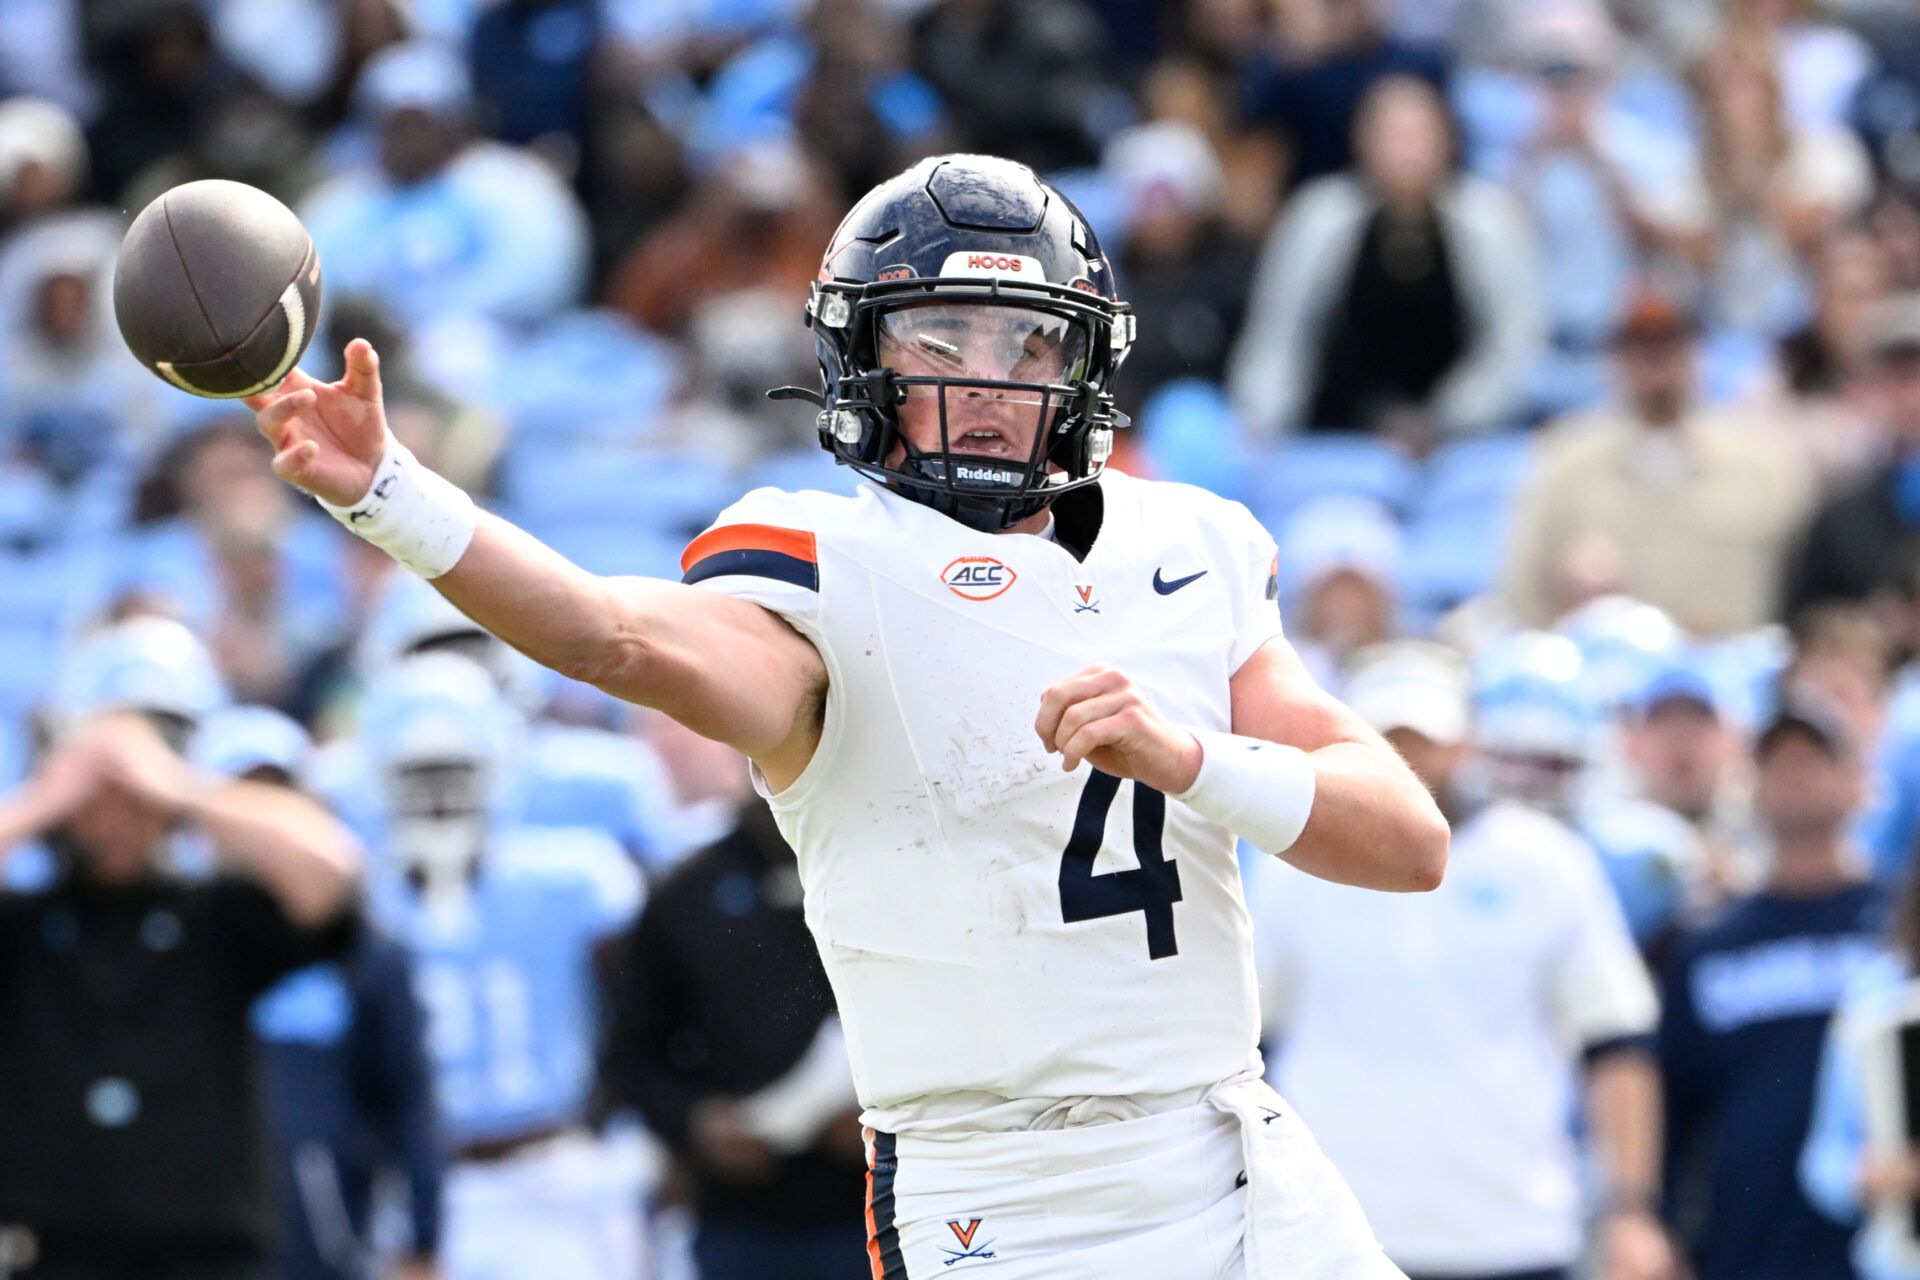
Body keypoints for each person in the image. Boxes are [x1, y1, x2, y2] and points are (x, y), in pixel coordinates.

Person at [247, 152, 1448, 1279]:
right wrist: (393, 494)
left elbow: (1407, 841)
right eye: (941, 337)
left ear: (1082, 364)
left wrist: (1193, 758)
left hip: (1234, 1146)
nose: (987, 383)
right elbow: (610, 634)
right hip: (1007, 1187)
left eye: (1028, 342)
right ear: (863, 356)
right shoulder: (825, 565)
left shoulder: (1187, 546)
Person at [1251, 641, 1671, 1280]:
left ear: (1467, 741)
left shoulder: (1547, 862)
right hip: (1333, 1233)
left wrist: (1632, 1210)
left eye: (1424, 737)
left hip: (1513, 1233)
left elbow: (1615, 1042)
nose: (1404, 757)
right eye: (1385, 737)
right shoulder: (1290, 866)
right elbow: (1246, 1040)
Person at [0, 618, 363, 1280]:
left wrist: (181, 787)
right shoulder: (25, 922)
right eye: (99, 795)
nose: (116, 814)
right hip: (51, 1251)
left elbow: (334, 871)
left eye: (131, 795)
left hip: (207, 1252)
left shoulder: (217, 916)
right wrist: (49, 794)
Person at [357, 653, 644, 1280]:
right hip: (416, 1183)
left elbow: (646, 999)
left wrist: (620, 1124)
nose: (439, 798)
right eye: (419, 777)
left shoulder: (572, 878)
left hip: (548, 1171)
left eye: (456, 774)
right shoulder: (361, 898)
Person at [193, 706, 444, 1280]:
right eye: (240, 802)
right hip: (190, 1244)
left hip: (322, 1248)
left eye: (277, 801)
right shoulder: (170, 938)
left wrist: (423, 1235)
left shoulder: (361, 948)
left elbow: (408, 1096)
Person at [1658, 695, 1890, 1280]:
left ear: (1858, 780)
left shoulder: (1902, 934)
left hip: (1887, 1249)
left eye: (1813, 761)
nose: (1795, 778)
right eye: (1777, 764)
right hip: (1745, 1251)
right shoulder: (1708, 948)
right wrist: (1663, 1232)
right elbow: (1674, 1110)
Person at [603, 775, 866, 1280]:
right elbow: (629, 1054)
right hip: (740, 1214)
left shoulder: (885, 874)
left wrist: (889, 1120)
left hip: (878, 1201)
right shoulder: (687, 892)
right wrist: (695, 1123)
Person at [1501, 288, 1813, 635]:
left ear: (1697, 355)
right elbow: (1522, 591)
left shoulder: (1764, 464)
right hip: (1608, 662)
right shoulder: (1564, 464)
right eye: (1641, 353)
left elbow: (1809, 579)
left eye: (1670, 349)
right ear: (1615, 361)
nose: (1658, 369)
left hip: (1736, 656)